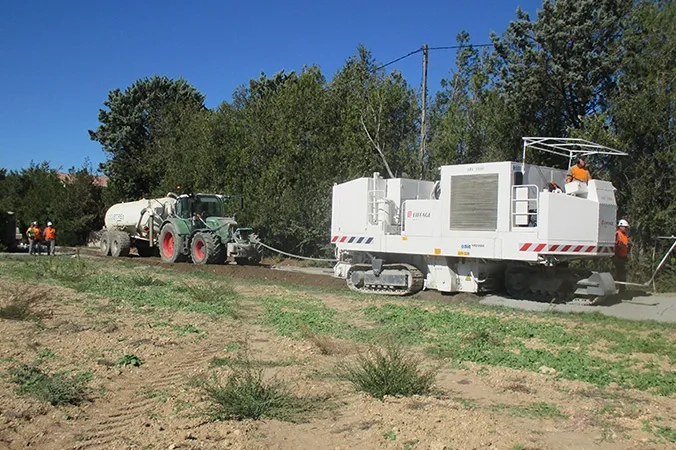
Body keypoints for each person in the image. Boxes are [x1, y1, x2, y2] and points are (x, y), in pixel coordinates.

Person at [614, 219, 630, 292]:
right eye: (624, 227)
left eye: (626, 227)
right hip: (618, 256)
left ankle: (622, 288)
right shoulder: (618, 234)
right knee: (619, 273)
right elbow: (617, 244)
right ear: (620, 226)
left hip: (623, 256)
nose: (626, 229)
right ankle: (619, 288)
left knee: (622, 273)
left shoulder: (624, 235)